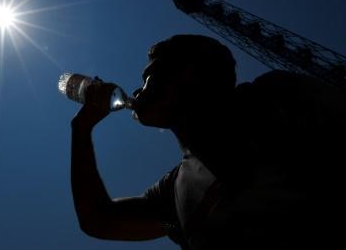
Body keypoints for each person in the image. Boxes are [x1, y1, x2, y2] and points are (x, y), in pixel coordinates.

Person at [70, 34, 344, 250]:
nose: (137, 90)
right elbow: (99, 220)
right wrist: (81, 129)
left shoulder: (272, 99)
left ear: (187, 73)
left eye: (149, 76)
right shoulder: (173, 190)